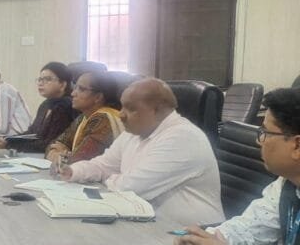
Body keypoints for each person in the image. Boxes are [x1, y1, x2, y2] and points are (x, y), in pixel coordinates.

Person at [174, 88, 300, 245]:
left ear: (297, 145)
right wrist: (207, 239)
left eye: (265, 133)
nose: (259, 141)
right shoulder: (286, 183)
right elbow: (251, 227)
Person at [60, 77, 223, 225]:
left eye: (131, 109)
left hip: (193, 233)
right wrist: (73, 171)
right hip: (148, 225)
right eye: (122, 106)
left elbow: (130, 189)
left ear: (157, 110)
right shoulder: (134, 132)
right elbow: (103, 165)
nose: (121, 115)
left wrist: (111, 178)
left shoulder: (183, 137)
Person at [46, 71, 125, 167]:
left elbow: (80, 160)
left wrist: (59, 156)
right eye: (75, 87)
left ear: (98, 97)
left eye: (81, 89)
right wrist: (58, 154)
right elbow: (54, 144)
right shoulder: (84, 117)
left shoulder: (103, 119)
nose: (73, 93)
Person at [0, 62, 75, 152]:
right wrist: (7, 139)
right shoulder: (45, 105)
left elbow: (48, 144)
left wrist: (9, 145)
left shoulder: (65, 106)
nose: (41, 83)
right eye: (40, 79)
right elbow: (32, 133)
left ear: (62, 84)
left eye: (47, 79)